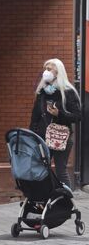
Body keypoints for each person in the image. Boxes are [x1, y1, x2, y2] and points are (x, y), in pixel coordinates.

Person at [30, 58, 81, 190]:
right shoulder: (42, 92)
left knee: (60, 170)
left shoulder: (68, 91)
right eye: (45, 69)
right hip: (42, 137)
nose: (45, 72)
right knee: (41, 168)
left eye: (49, 69)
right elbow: (35, 116)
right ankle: (45, 198)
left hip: (61, 137)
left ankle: (67, 201)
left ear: (58, 72)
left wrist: (59, 114)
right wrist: (32, 135)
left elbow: (77, 116)